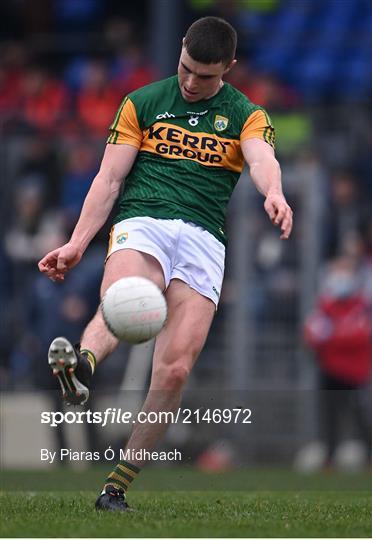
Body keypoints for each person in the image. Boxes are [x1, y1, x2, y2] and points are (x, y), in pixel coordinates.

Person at [38, 16, 293, 511]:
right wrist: (75, 243)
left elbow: (262, 160)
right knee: (126, 297)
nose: (191, 83)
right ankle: (82, 368)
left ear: (229, 68)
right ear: (179, 50)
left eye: (206, 76)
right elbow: (109, 180)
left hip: (204, 240)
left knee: (174, 371)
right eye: (186, 69)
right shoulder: (143, 102)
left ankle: (115, 489)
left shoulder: (246, 114)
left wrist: (276, 193)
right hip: (146, 220)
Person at [304, 256, 372, 469]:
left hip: (356, 373)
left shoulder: (361, 305)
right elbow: (310, 334)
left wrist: (331, 336)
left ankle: (370, 458)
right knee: (330, 417)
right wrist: (333, 336)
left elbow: (360, 335)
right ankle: (330, 458)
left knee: (362, 417)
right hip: (330, 371)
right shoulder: (326, 305)